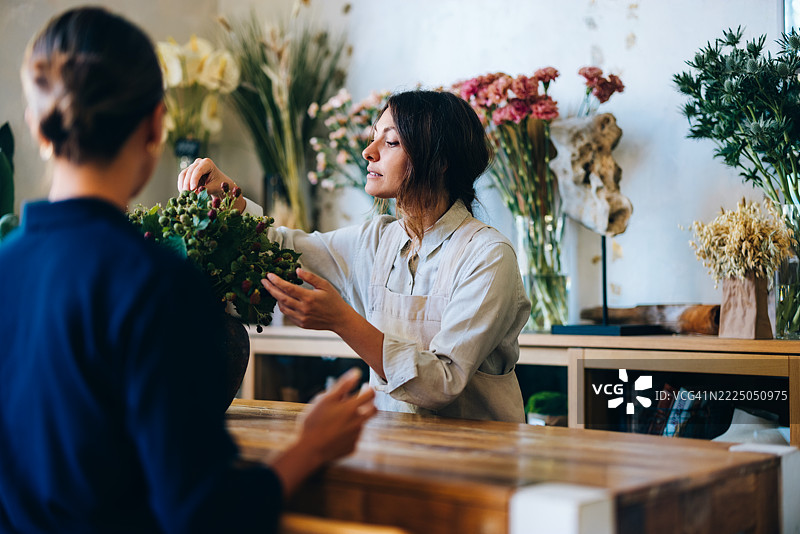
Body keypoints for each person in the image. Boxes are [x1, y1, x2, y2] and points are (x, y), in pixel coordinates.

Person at [0, 7, 375, 533]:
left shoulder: (6, 267)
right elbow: (203, 512)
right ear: (156, 126)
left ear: (40, 128)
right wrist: (309, 448)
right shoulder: (157, 284)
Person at [180, 90, 531, 423]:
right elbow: (280, 248)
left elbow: (444, 380)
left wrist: (341, 320)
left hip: (481, 462)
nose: (368, 151)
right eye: (374, 136)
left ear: (440, 162)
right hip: (391, 451)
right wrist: (230, 196)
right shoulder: (376, 241)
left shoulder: (487, 256)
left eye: (391, 142)